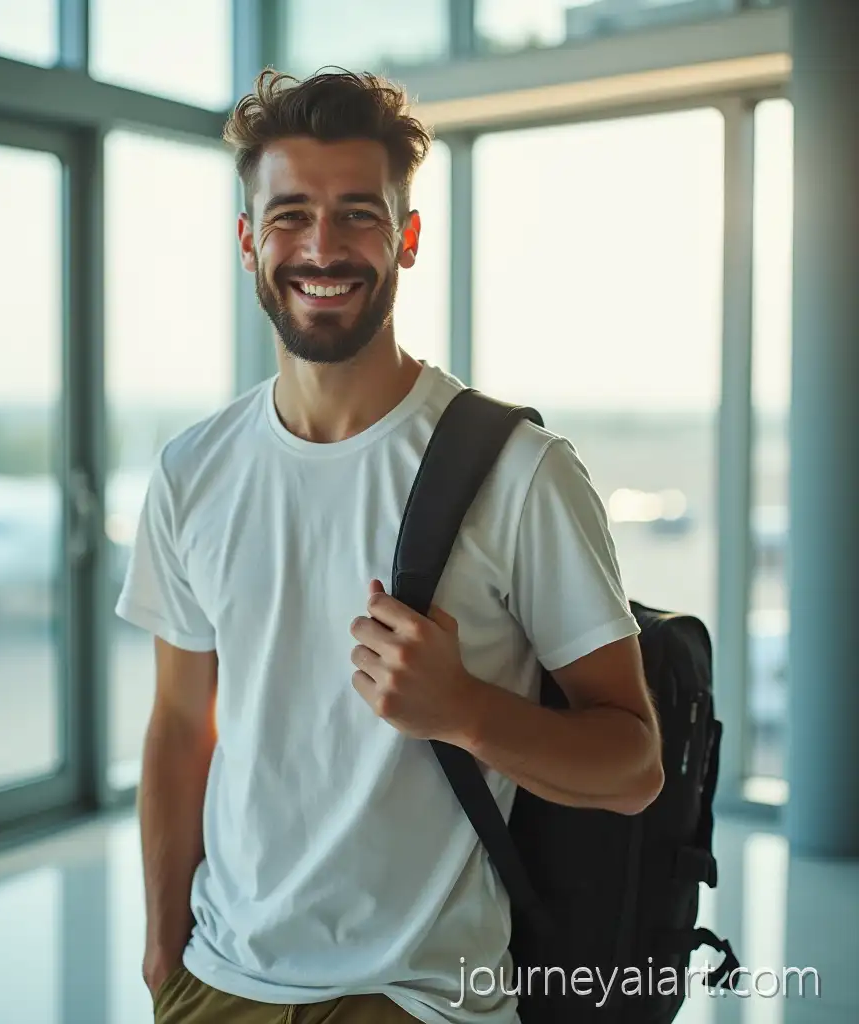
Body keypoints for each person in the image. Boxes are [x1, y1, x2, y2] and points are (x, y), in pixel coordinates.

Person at [116, 68, 664, 1024]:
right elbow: (177, 725)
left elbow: (633, 767)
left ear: (407, 239)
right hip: (218, 983)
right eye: (288, 215)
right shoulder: (190, 472)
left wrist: (464, 710)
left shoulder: (520, 472)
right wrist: (167, 947)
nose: (321, 245)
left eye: (359, 214)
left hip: (417, 997)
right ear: (247, 241)